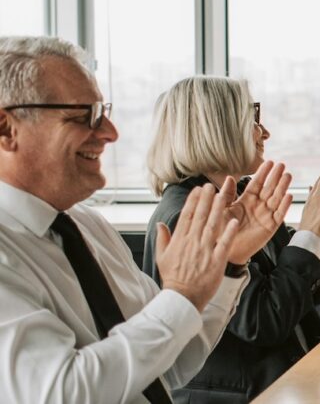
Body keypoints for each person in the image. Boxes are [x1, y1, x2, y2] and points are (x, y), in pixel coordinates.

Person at [0, 36, 292, 403]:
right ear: (6, 129)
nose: (110, 133)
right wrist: (180, 296)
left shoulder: (90, 227)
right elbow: (63, 392)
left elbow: (171, 364)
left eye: (103, 112)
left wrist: (230, 265)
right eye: (85, 116)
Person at [144, 75, 320, 402]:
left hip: (286, 387)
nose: (265, 132)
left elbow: (300, 291)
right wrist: (308, 232)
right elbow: (263, 321)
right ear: (217, 128)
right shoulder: (188, 216)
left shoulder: (244, 194)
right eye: (252, 118)